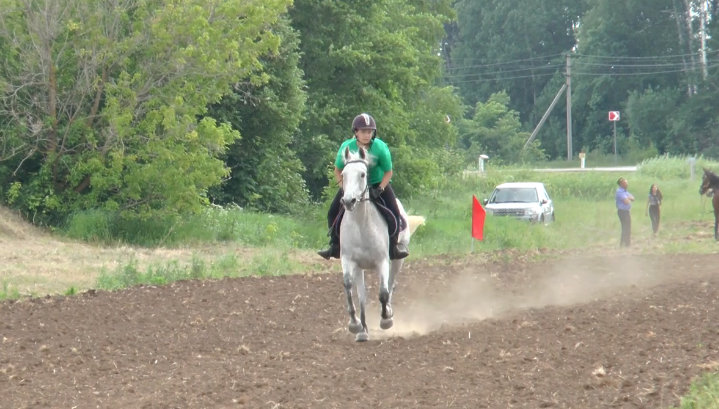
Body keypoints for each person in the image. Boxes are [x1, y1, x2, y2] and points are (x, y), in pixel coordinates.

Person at [317, 113, 410, 260]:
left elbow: (388, 172)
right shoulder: (346, 147)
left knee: (394, 211)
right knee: (332, 211)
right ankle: (335, 245)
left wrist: (379, 189)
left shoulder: (380, 147)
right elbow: (338, 170)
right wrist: (345, 187)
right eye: (363, 131)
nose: (367, 135)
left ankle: (393, 247)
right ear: (356, 132)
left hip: (378, 184)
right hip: (353, 185)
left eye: (370, 132)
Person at [615, 177, 634, 247]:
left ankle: (625, 243)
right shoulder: (620, 191)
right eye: (625, 183)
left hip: (626, 211)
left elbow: (633, 198)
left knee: (627, 227)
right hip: (622, 212)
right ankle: (625, 244)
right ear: (621, 184)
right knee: (625, 227)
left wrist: (628, 198)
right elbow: (626, 202)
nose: (627, 184)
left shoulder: (625, 191)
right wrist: (628, 198)